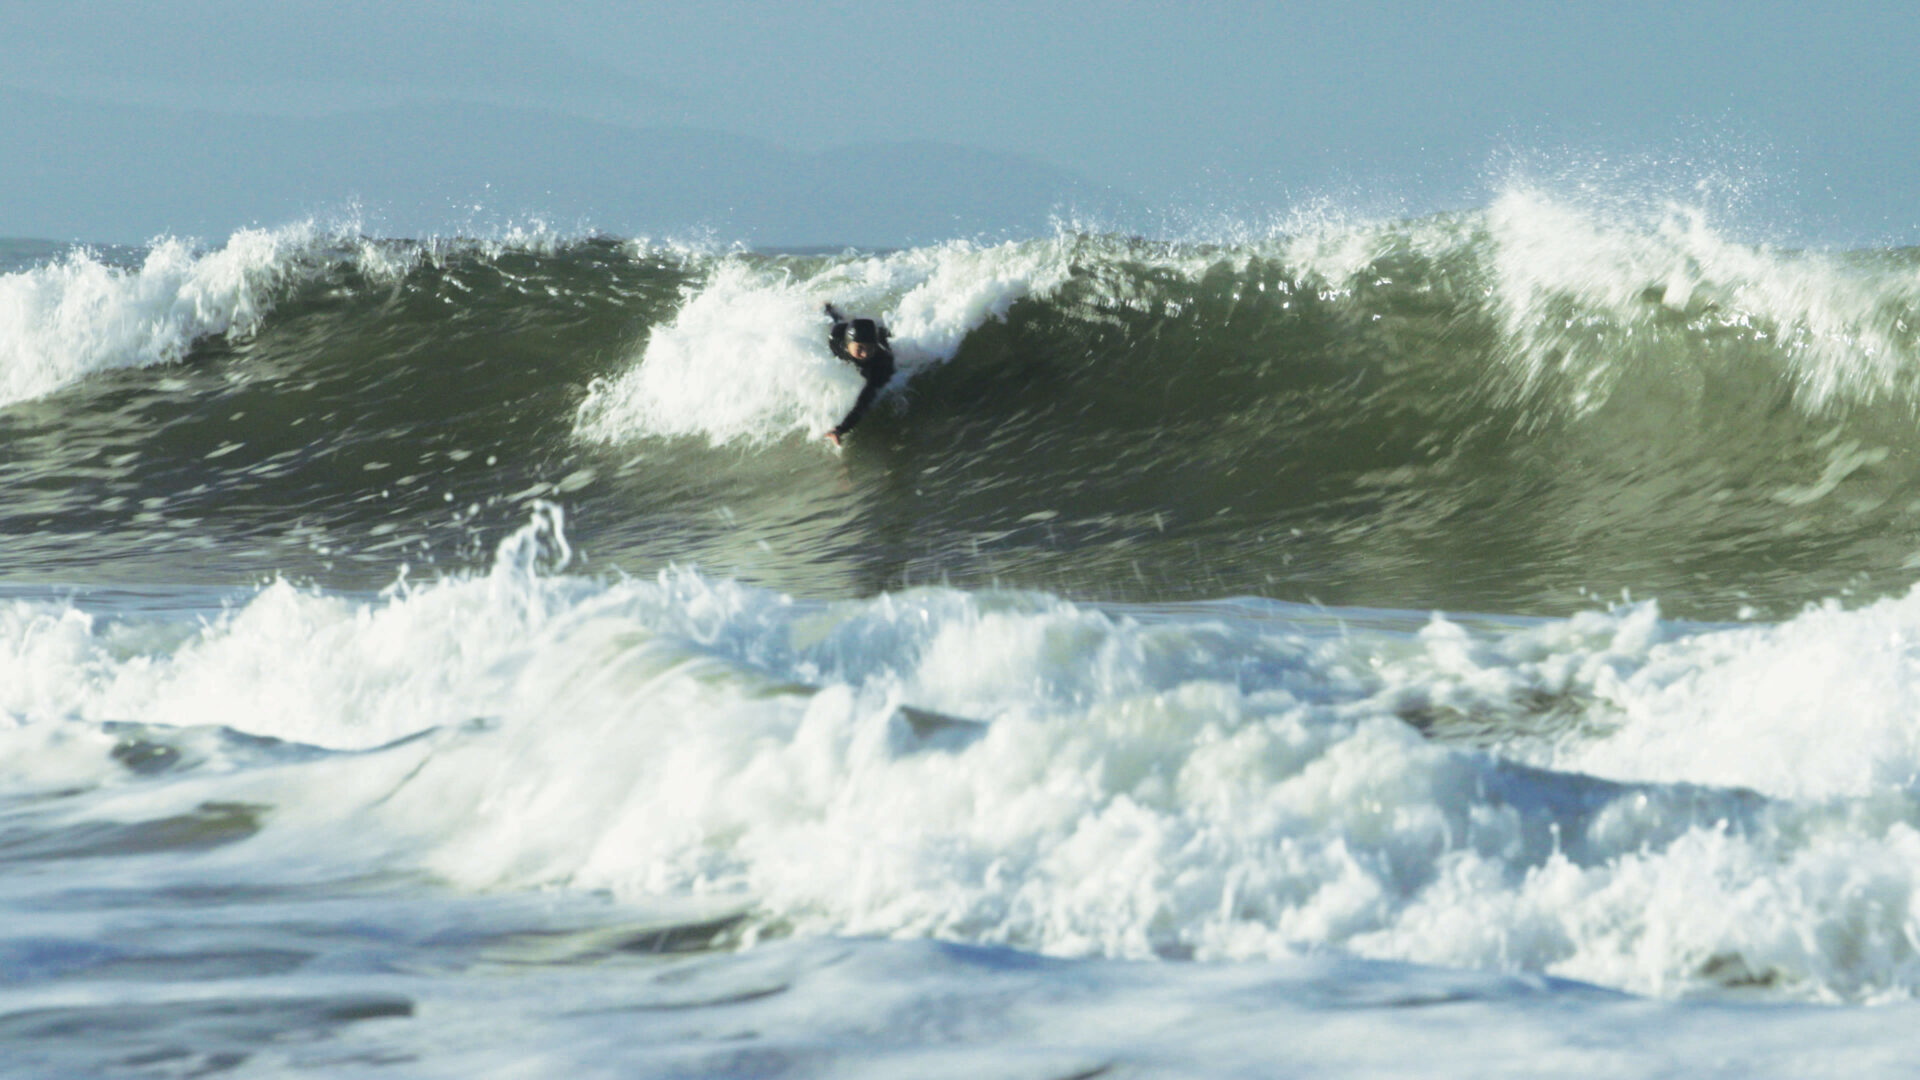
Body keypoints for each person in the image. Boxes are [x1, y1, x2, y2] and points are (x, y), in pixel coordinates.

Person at [822, 302, 896, 446]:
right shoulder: (836, 341)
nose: (865, 353)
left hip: (880, 339)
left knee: (883, 334)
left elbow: (864, 402)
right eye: (860, 348)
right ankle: (827, 307)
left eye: (870, 348)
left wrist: (840, 429)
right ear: (847, 344)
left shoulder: (880, 363)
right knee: (837, 321)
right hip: (844, 330)